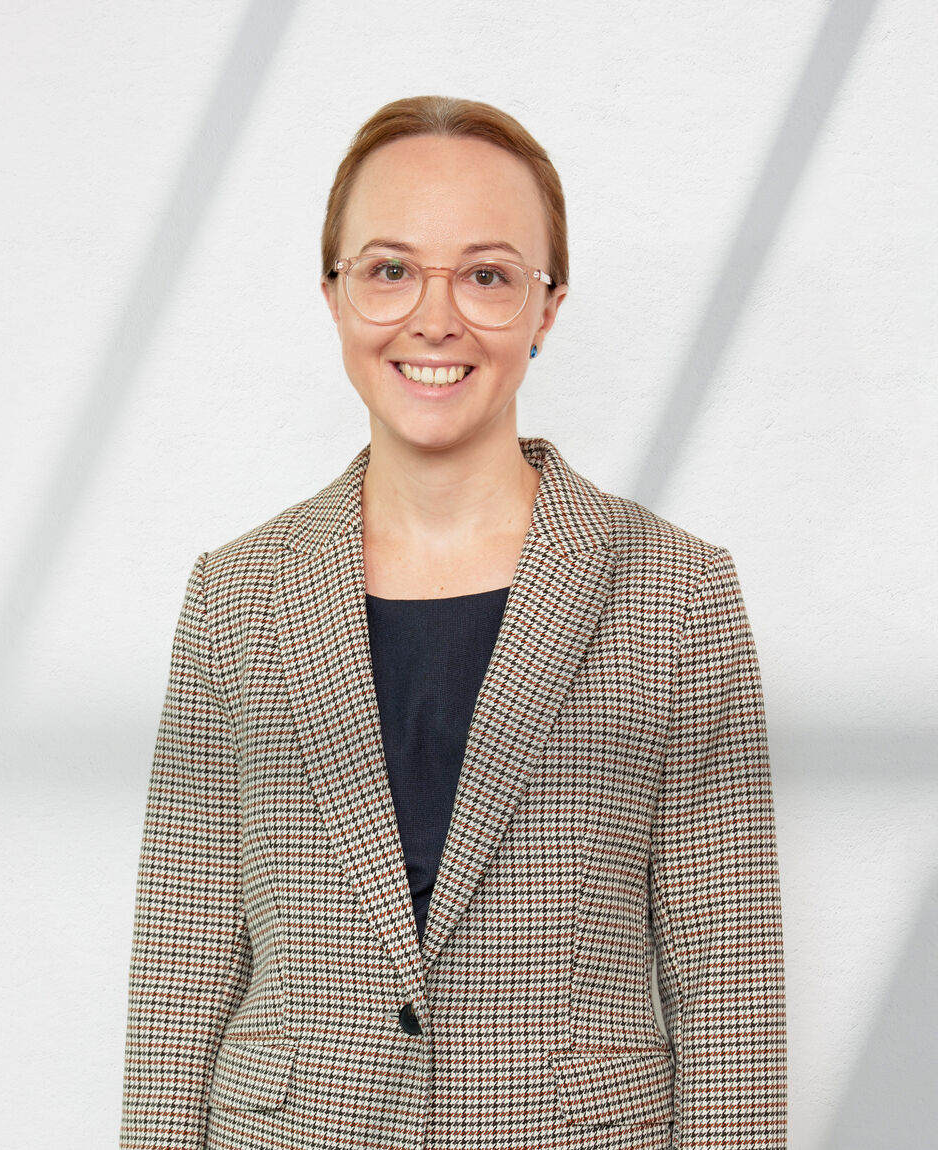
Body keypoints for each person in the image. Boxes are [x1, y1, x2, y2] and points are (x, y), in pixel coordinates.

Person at [120, 96, 786, 1150]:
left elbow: (729, 984)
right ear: (333, 295)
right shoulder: (233, 595)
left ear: (546, 305)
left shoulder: (678, 591)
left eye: (484, 274)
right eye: (388, 269)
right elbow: (184, 957)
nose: (435, 318)